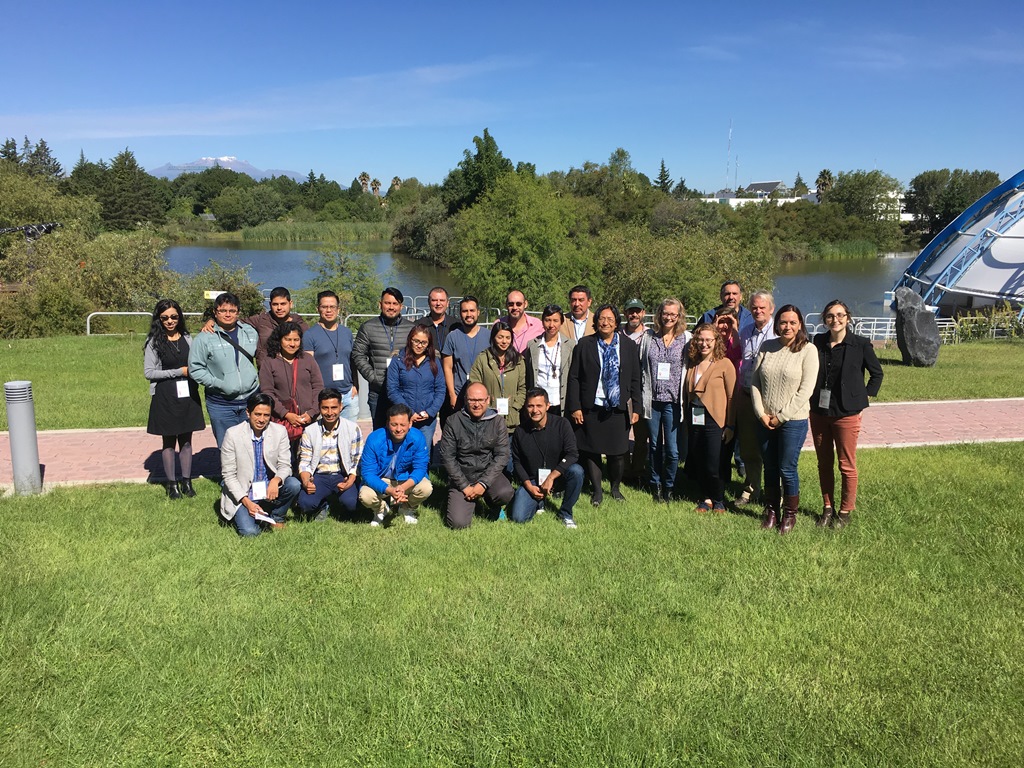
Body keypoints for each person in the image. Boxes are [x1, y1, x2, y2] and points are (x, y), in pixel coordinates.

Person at [809, 300, 884, 529]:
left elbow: (877, 374)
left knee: (846, 464)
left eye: (840, 315)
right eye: (830, 316)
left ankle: (845, 511)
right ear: (825, 319)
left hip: (846, 413)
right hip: (819, 411)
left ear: (848, 318)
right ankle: (827, 507)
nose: (836, 320)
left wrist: (863, 396)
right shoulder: (817, 341)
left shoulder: (860, 344)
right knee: (824, 463)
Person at [565, 304, 643, 506]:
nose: (605, 322)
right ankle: (597, 491)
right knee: (592, 451)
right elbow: (574, 377)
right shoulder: (585, 344)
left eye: (610, 319)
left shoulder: (628, 346)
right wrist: (575, 406)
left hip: (618, 408)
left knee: (618, 453)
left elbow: (635, 378)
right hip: (592, 407)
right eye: (601, 318)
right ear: (596, 321)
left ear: (616, 322)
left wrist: (637, 407)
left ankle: (615, 488)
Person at [752, 304, 819, 535]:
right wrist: (761, 413)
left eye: (792, 322)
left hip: (793, 421)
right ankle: (771, 511)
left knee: (786, 468)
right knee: (770, 467)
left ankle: (790, 515)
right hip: (765, 420)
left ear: (800, 324)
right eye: (783, 322)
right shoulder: (767, 347)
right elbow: (755, 382)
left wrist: (781, 417)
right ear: (777, 324)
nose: (787, 326)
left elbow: (806, 390)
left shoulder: (808, 350)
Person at [143, 298, 205, 499]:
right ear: (159, 319)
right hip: (165, 396)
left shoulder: (187, 338)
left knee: (186, 441)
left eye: (174, 317)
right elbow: (149, 372)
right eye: (165, 318)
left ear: (179, 317)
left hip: (188, 394)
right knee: (169, 442)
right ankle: (172, 485)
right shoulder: (154, 342)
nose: (170, 321)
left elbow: (196, 363)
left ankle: (186, 482)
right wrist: (178, 372)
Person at [219, 393, 301, 537]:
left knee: (293, 484)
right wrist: (247, 502)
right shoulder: (232, 434)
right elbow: (228, 476)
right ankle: (251, 514)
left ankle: (276, 516)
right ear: (248, 413)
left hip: (269, 487)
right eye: (257, 414)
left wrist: (276, 480)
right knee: (250, 532)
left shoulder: (279, 431)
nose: (262, 419)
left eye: (266, 415)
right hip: (244, 493)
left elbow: (285, 465)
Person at [438, 382, 514, 529]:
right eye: (472, 400)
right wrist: (465, 486)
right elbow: (447, 457)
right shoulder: (453, 421)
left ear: (488, 400)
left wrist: (483, 483)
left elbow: (502, 455)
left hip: (487, 473)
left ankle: (493, 505)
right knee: (458, 524)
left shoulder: (497, 421)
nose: (477, 404)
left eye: (480, 400)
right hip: (463, 476)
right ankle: (466, 501)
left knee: (505, 493)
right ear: (465, 400)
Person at [188, 292, 260, 448]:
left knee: (253, 445)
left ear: (238, 312)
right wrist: (219, 384)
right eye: (223, 311)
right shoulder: (204, 338)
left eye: (232, 310)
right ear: (215, 312)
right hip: (221, 404)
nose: (228, 314)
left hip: (251, 400)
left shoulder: (250, 332)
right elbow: (195, 368)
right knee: (227, 447)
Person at [510, 388, 585, 528]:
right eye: (530, 406)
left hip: (558, 476)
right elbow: (517, 462)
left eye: (539, 405)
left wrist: (551, 478)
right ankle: (539, 502)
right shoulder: (520, 431)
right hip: (533, 480)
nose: (535, 410)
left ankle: (565, 513)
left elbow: (572, 454)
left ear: (548, 406)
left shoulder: (562, 424)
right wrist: (529, 487)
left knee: (577, 471)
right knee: (518, 518)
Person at [683, 324, 737, 513]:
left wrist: (730, 425)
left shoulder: (725, 364)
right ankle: (706, 498)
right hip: (695, 417)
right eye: (700, 340)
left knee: (714, 462)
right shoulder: (693, 363)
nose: (704, 344)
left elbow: (732, 397)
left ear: (716, 341)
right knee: (699, 459)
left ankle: (719, 499)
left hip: (716, 420)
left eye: (708, 340)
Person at [641, 298, 690, 503]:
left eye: (673, 314)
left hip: (674, 402)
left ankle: (669, 485)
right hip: (652, 400)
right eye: (665, 313)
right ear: (659, 315)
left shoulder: (686, 338)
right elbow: (642, 366)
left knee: (672, 449)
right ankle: (655, 484)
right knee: (654, 446)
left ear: (679, 316)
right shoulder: (648, 338)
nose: (668, 317)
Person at [358, 403, 433, 526]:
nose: (398, 429)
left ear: (410, 424)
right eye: (394, 424)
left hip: (405, 478)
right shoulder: (374, 439)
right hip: (382, 478)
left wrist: (402, 488)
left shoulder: (418, 437)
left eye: (403, 425)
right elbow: (367, 473)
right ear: (387, 423)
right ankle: (381, 509)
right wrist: (389, 490)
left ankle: (407, 507)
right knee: (365, 495)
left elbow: (420, 468)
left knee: (426, 488)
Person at [259, 322, 324, 462]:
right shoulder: (269, 361)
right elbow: (267, 391)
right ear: (279, 340)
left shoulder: (307, 359)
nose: (292, 344)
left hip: (308, 419)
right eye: (288, 339)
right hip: (281, 421)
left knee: (308, 459)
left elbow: (318, 387)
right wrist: (286, 414)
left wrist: (312, 412)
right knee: (284, 460)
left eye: (296, 339)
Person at [735, 291, 777, 506]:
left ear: (771, 309)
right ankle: (752, 488)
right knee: (749, 447)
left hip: (769, 398)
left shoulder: (779, 332)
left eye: (762, 307)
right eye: (754, 307)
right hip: (746, 394)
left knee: (771, 449)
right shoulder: (745, 331)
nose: (758, 311)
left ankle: (774, 492)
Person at [352, 287, 415, 429]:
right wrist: (373, 377)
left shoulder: (411, 328)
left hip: (403, 391)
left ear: (401, 306)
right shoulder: (368, 327)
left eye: (395, 304)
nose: (391, 307)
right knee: (380, 431)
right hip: (378, 391)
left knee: (403, 430)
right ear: (380, 304)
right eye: (387, 303)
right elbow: (358, 354)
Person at [297, 388, 363, 520]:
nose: (330, 413)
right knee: (305, 504)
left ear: (341, 407)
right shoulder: (310, 431)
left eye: (334, 408)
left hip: (342, 475)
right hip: (319, 475)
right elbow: (304, 461)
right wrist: (306, 482)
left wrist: (350, 480)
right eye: (325, 408)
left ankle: (342, 505)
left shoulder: (352, 428)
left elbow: (357, 459)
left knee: (352, 504)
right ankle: (323, 505)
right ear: (319, 408)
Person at [202, 286, 307, 364]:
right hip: (266, 373)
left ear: (290, 303)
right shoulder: (261, 319)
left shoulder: (300, 325)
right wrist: (212, 320)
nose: (279, 308)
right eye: (275, 304)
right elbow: (232, 319)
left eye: (283, 304)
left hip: (292, 370)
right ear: (270, 304)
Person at [386, 326, 446, 446]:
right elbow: (392, 390)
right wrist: (409, 412)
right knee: (403, 449)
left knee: (423, 450)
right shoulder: (398, 360)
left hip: (427, 419)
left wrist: (431, 411)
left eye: (424, 342)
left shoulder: (434, 361)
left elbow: (440, 389)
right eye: (416, 341)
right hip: (404, 417)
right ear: (410, 340)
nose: (419, 345)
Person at [304, 290, 358, 422]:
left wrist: (356, 386)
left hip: (347, 395)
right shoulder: (310, 335)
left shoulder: (346, 332)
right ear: (318, 309)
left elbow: (352, 361)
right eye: (324, 307)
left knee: (348, 433)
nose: (329, 310)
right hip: (323, 397)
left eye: (332, 307)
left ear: (338, 309)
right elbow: (307, 368)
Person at [469, 320, 528, 436]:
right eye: (500, 337)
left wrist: (514, 407)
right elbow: (474, 384)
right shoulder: (482, 359)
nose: (504, 341)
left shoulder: (519, 361)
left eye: (508, 338)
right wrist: (486, 404)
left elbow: (522, 388)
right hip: (487, 418)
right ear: (493, 338)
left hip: (511, 420)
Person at [440, 295, 491, 424]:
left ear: (478, 312)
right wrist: (452, 395)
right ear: (460, 313)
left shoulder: (489, 336)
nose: (469, 314)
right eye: (465, 311)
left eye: (472, 310)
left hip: (483, 396)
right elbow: (447, 367)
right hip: (460, 395)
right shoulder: (452, 337)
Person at [525, 305, 575, 416]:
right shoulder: (532, 345)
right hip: (539, 403)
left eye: (555, 321)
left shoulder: (570, 345)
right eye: (547, 320)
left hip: (560, 402)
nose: (551, 325)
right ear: (542, 322)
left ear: (561, 322)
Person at [622, 298, 650, 484]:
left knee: (641, 435)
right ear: (625, 313)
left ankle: (638, 470)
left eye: (637, 311)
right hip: (623, 390)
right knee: (622, 433)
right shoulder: (618, 334)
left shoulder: (650, 335)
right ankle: (623, 470)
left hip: (643, 391)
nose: (634, 314)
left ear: (643, 313)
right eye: (631, 311)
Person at [415, 286, 460, 352]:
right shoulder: (418, 325)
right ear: (429, 303)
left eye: (442, 300)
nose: (438, 303)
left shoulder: (457, 326)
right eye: (434, 300)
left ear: (447, 303)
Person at [714, 307, 743, 372]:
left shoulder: (736, 341)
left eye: (729, 322)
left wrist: (735, 328)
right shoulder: (710, 341)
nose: (725, 326)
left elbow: (736, 353)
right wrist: (713, 329)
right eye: (721, 322)